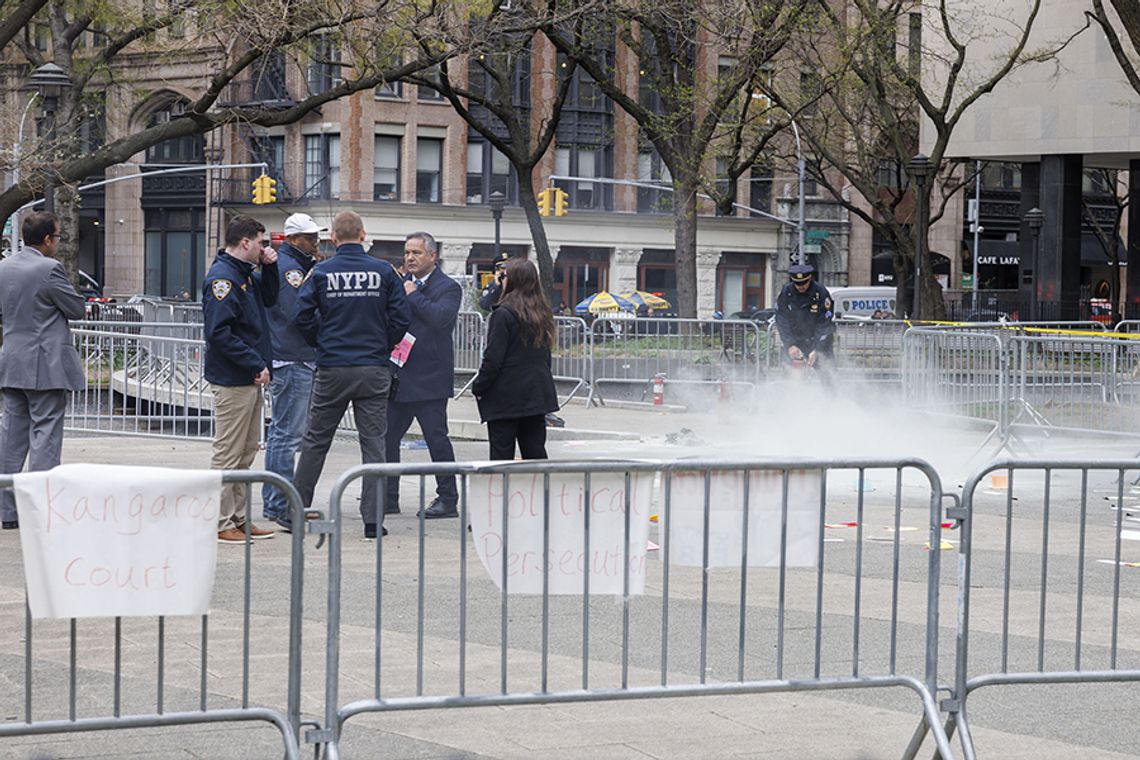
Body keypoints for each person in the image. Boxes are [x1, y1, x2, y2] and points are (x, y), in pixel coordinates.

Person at [292, 211, 410, 539]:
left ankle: (298, 510)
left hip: (332, 367)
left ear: (333, 238)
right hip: (373, 367)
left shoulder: (321, 271)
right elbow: (401, 317)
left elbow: (300, 316)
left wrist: (322, 341)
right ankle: (373, 520)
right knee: (374, 443)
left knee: (315, 441)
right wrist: (381, 344)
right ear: (363, 235)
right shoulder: (384, 271)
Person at [0, 212, 86, 530]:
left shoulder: (4, 267)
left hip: (12, 361)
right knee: (45, 436)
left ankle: (8, 511)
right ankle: (39, 507)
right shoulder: (49, 268)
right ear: (47, 239)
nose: (57, 242)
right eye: (57, 237)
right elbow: (75, 309)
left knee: (10, 438)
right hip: (45, 364)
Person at [203, 215, 279, 544]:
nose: (266, 248)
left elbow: (271, 299)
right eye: (262, 243)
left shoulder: (244, 275)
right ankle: (221, 521)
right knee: (229, 453)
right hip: (234, 378)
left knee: (246, 451)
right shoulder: (224, 279)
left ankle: (239, 517)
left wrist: (271, 267)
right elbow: (219, 333)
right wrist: (253, 362)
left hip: (247, 376)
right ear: (245, 242)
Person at [385, 231, 463, 519]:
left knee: (436, 440)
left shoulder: (448, 287)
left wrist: (413, 295)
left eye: (416, 253)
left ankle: (448, 499)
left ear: (432, 255)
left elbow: (441, 318)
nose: (410, 258)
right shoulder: (401, 284)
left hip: (430, 379)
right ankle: (388, 496)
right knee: (387, 438)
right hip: (400, 375)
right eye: (407, 253)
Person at [261, 213, 325, 529]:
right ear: (293, 239)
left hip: (294, 356)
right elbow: (297, 312)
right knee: (286, 436)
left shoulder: (296, 265)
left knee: (284, 434)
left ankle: (278, 501)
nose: (315, 242)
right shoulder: (290, 269)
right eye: (310, 237)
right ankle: (278, 504)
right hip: (293, 357)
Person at [471, 258, 559, 460]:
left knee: (501, 457)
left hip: (506, 397)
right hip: (536, 394)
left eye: (503, 276)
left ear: (513, 281)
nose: (500, 281)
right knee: (535, 453)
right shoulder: (542, 312)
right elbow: (545, 357)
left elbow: (493, 358)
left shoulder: (503, 314)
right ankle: (538, 492)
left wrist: (479, 386)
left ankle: (503, 493)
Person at [774, 263, 835, 372]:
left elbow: (825, 323)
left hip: (818, 341)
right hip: (795, 341)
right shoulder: (786, 292)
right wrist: (790, 344)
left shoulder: (821, 292)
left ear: (810, 279)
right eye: (797, 283)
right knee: (790, 375)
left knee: (827, 374)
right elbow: (781, 319)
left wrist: (817, 349)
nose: (801, 286)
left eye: (804, 283)